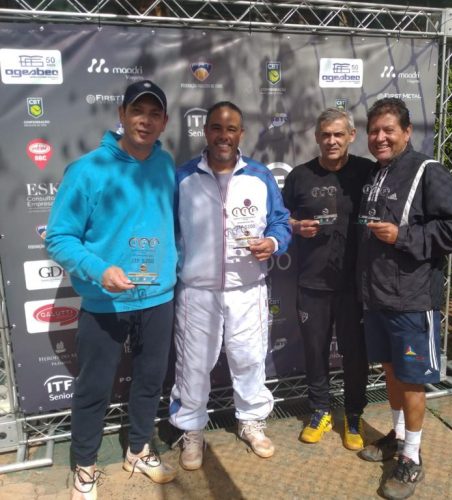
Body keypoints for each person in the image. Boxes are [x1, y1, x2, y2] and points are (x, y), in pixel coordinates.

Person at [46, 80, 177, 499]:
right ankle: (85, 465)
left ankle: (138, 449)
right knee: (94, 388)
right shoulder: (87, 170)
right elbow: (59, 237)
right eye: (137, 111)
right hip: (105, 302)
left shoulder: (166, 165)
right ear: (121, 115)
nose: (145, 121)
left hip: (158, 298)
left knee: (150, 381)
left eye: (154, 114)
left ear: (164, 121)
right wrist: (99, 270)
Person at [357, 98, 452, 499]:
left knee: (411, 379)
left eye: (388, 130)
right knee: (391, 372)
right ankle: (398, 435)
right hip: (378, 296)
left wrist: (403, 236)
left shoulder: (429, 171)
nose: (380, 137)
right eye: (374, 131)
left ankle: (412, 457)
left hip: (412, 298)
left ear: (407, 132)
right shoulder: (376, 173)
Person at [169, 101, 291, 470]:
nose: (224, 136)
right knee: (193, 364)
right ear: (206, 131)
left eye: (232, 129)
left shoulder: (259, 175)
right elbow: (166, 229)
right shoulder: (183, 177)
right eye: (217, 128)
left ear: (241, 134)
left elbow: (280, 221)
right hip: (197, 291)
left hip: (247, 288)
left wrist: (273, 242)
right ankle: (191, 429)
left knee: (249, 357)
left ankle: (251, 420)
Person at [282, 108, 373, 449]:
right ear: (317, 138)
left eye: (338, 134)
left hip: (355, 285)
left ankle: (353, 415)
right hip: (312, 283)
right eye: (325, 135)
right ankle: (319, 410)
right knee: (315, 351)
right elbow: (279, 218)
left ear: (351, 136)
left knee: (355, 354)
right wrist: (294, 226)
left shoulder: (367, 172)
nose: (331, 141)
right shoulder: (300, 176)